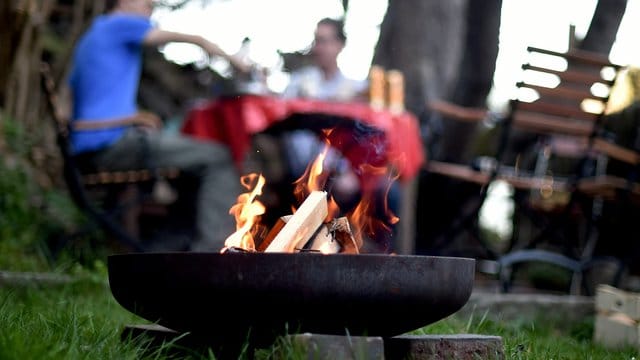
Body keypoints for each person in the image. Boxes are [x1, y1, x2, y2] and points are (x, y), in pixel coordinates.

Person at [67, 0, 250, 251]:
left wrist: (132, 118)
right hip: (109, 147)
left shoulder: (95, 33)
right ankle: (211, 254)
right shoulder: (118, 24)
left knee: (194, 163)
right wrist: (225, 55)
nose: (150, 5)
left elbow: (79, 103)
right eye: (144, 0)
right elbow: (180, 38)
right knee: (218, 157)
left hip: (97, 143)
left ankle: (169, 246)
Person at [278, 17, 399, 253]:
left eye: (324, 41)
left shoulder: (356, 89)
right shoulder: (299, 84)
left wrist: (352, 172)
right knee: (328, 190)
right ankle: (331, 251)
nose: (318, 47)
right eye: (316, 41)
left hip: (350, 170)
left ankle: (383, 261)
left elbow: (371, 138)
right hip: (311, 170)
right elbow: (290, 132)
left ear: (340, 45)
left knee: (390, 191)